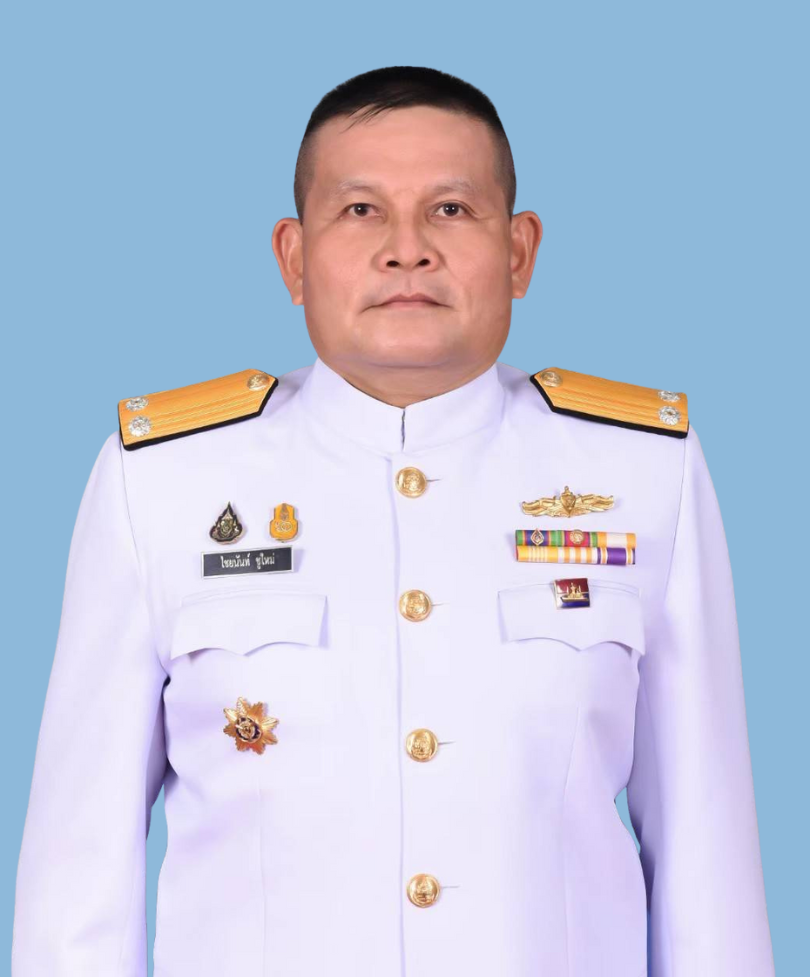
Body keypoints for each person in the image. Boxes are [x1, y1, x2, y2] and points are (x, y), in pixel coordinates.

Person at [11, 65, 775, 976]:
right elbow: (79, 879)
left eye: (451, 209)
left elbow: (707, 860)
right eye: (360, 210)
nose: (406, 250)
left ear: (520, 251)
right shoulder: (163, 482)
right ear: (294, 257)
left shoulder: (642, 474)